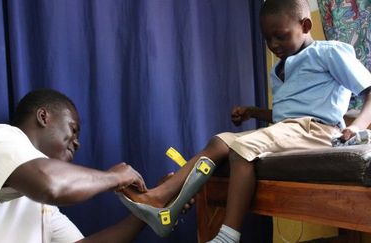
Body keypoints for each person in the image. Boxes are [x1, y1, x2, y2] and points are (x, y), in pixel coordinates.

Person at [117, 0, 371, 242]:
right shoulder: (279, 68)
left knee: (242, 151)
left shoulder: (329, 52)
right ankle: (162, 202)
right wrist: (253, 112)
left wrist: (356, 126)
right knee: (218, 142)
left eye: (280, 35)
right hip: (291, 129)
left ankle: (228, 236)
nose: (274, 44)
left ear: (305, 26)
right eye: (268, 38)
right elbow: (288, 116)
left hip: (317, 131)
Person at [0, 88, 159, 243]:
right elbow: (50, 185)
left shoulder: (39, 203)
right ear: (43, 117)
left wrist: (148, 212)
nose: (77, 142)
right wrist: (115, 177)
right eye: (73, 129)